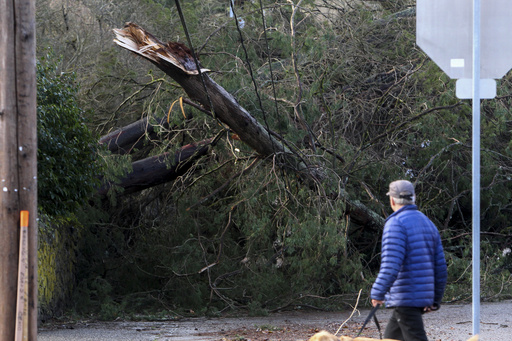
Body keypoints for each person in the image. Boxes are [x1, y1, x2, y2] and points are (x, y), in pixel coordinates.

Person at [371, 180, 448, 341]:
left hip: (405, 297)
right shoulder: (428, 224)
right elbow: (440, 269)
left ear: (392, 200)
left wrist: (378, 292)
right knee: (391, 338)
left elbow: (391, 266)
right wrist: (435, 299)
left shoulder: (396, 223)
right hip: (411, 300)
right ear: (414, 198)